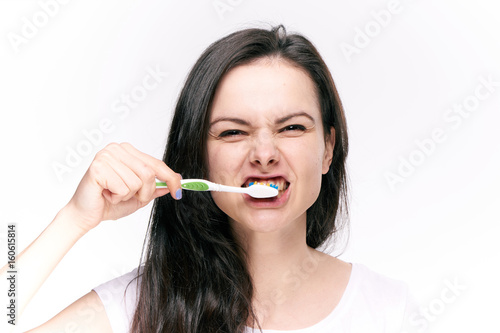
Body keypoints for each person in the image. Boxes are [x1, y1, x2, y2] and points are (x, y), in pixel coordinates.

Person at [2, 25, 419, 333]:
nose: (264, 153)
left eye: (291, 127)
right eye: (233, 132)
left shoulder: (387, 309)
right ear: (199, 158)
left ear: (327, 149)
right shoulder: (135, 307)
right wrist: (74, 219)